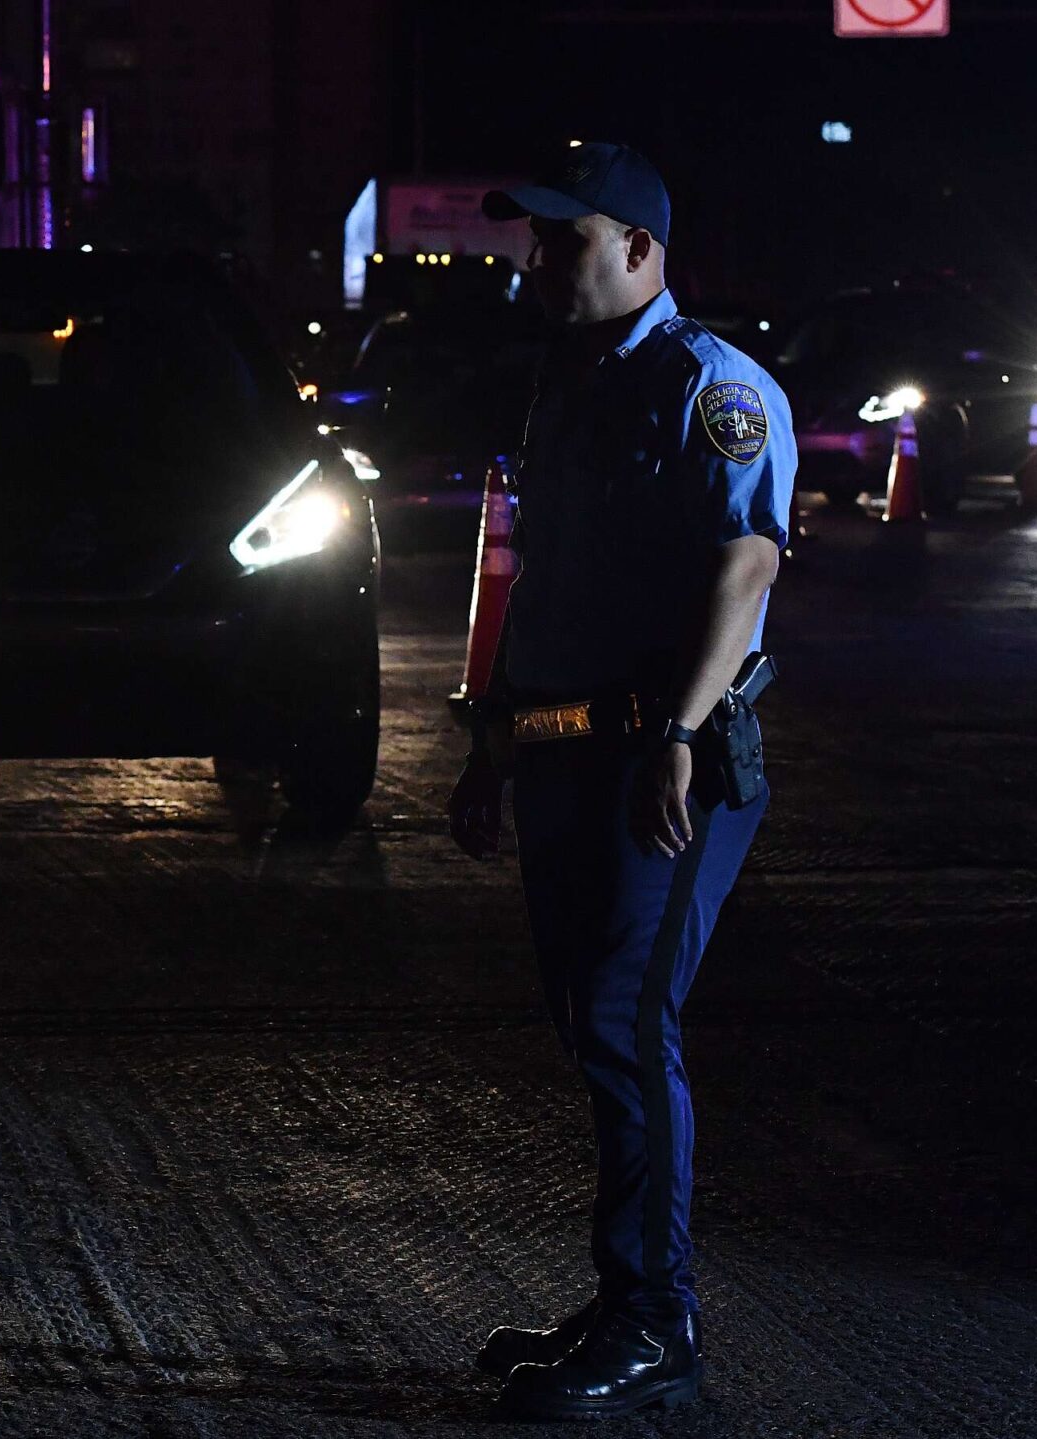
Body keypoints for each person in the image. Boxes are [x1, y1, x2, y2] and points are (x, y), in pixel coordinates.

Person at [447, 141, 794, 1421]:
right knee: (590, 1030)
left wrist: (685, 735)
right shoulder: (571, 384)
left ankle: (657, 1318)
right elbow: (544, 583)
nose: (537, 259)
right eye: (534, 240)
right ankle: (620, 1292)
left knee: (625, 1022)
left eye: (563, 238)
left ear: (641, 250)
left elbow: (742, 566)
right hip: (561, 751)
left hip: (666, 764)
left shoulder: (711, 386)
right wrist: (490, 744)